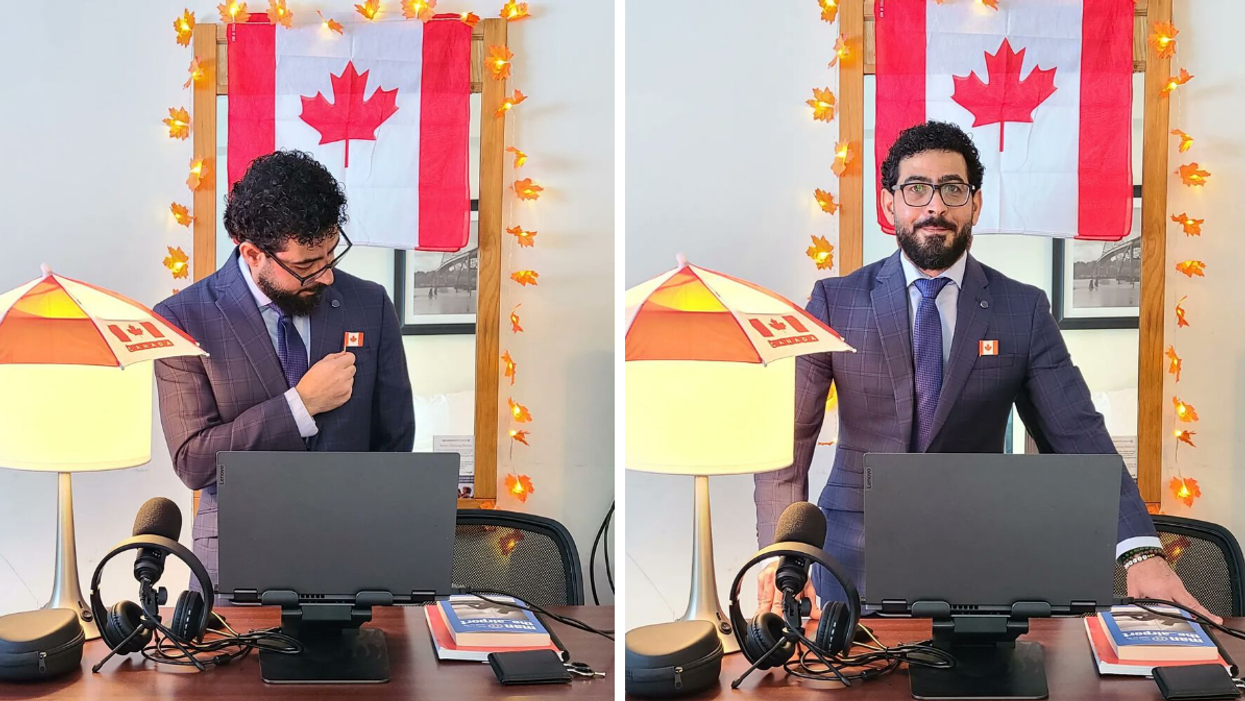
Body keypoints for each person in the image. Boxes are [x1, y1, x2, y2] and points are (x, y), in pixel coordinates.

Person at [753, 121, 1219, 624]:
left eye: (952, 189)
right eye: (916, 188)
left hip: (977, 561)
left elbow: (1080, 437)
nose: (935, 206)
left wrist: (1139, 552)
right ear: (890, 204)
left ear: (975, 204)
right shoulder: (834, 301)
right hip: (849, 562)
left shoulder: (1023, 310)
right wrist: (783, 554)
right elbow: (786, 444)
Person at [154, 150, 415, 601]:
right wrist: (301, 406)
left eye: (332, 253)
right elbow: (194, 461)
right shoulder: (182, 320)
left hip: (354, 554)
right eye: (308, 263)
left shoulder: (371, 305)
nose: (328, 275)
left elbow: (394, 439)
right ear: (252, 253)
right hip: (235, 561)